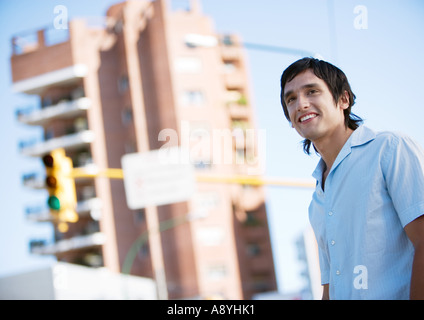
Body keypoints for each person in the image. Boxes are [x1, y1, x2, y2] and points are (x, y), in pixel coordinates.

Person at [279, 57, 424, 300]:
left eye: (312, 91)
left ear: (343, 99)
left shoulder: (389, 149)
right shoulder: (317, 200)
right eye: (291, 99)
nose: (300, 104)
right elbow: (330, 286)